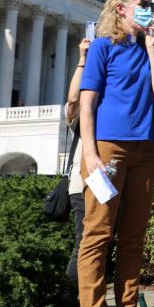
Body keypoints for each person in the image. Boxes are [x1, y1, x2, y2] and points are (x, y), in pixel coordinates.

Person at [78, 0, 154, 307]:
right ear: (121, 8)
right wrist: (91, 154)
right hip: (108, 146)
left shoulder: (148, 51)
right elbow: (87, 104)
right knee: (98, 234)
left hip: (145, 147)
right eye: (144, 4)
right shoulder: (102, 47)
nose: (149, 9)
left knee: (133, 237)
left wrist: (152, 49)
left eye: (152, 5)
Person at [65, 38, 91, 283]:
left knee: (92, 244)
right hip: (82, 183)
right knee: (84, 244)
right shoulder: (82, 110)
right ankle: (73, 301)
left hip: (103, 182)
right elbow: (73, 100)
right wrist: (82, 60)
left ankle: (92, 301)